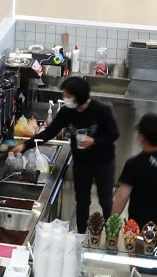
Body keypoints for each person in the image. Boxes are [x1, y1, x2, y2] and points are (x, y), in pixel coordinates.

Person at [34, 77, 119, 229]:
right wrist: (25, 145)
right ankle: (80, 235)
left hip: (103, 162)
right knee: (82, 202)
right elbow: (49, 132)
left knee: (105, 200)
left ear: (78, 96)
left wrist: (94, 141)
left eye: (67, 96)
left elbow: (113, 134)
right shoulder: (67, 112)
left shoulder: (101, 110)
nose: (65, 99)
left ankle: (111, 234)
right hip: (81, 163)